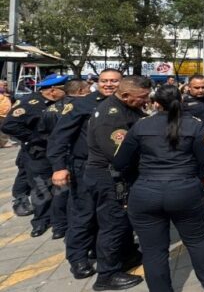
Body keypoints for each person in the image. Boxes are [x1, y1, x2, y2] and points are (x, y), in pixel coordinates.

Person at [112, 85, 204, 292]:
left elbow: (119, 163)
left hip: (145, 192)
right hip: (185, 191)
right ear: (182, 101)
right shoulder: (194, 126)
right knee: (197, 239)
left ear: (155, 103)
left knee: (154, 250)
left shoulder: (140, 126)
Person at [48, 68, 122, 279]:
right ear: (97, 82)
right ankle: (78, 259)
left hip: (115, 170)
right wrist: (58, 167)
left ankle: (112, 254)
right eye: (105, 81)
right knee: (83, 214)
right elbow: (59, 138)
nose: (109, 84)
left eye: (114, 81)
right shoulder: (82, 104)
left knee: (111, 216)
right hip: (85, 168)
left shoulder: (125, 104)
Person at [84, 75, 151, 290]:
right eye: (142, 97)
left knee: (124, 221)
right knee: (113, 225)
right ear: (124, 95)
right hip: (109, 176)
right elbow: (120, 154)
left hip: (119, 176)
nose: (145, 100)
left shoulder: (125, 107)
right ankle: (107, 275)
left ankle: (128, 256)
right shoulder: (111, 116)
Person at [2, 74, 68, 237]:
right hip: (39, 153)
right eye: (63, 89)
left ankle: (58, 220)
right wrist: (35, 138)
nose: (66, 91)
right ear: (53, 90)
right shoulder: (30, 104)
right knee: (40, 187)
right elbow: (9, 126)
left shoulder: (59, 103)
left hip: (58, 152)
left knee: (60, 187)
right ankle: (41, 221)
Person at [38, 79, 91, 240]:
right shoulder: (82, 107)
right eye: (88, 88)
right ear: (81, 91)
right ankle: (66, 227)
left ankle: (58, 226)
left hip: (57, 156)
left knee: (60, 192)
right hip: (74, 156)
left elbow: (43, 132)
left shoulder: (51, 108)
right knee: (74, 197)